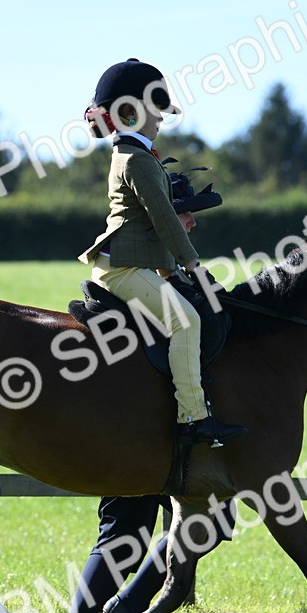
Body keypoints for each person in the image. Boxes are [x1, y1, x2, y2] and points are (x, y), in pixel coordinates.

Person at [57, 176, 237, 613]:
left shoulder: (161, 279)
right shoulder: (150, 286)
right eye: (185, 214)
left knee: (201, 522)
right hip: (142, 442)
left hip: (162, 443)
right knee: (128, 533)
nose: (193, 222)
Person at [78, 58, 246, 448]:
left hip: (133, 263)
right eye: (156, 114)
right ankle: (193, 418)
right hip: (121, 268)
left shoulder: (137, 156)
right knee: (185, 321)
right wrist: (193, 265)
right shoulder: (136, 160)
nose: (160, 121)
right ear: (132, 113)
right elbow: (166, 221)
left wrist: (173, 273)